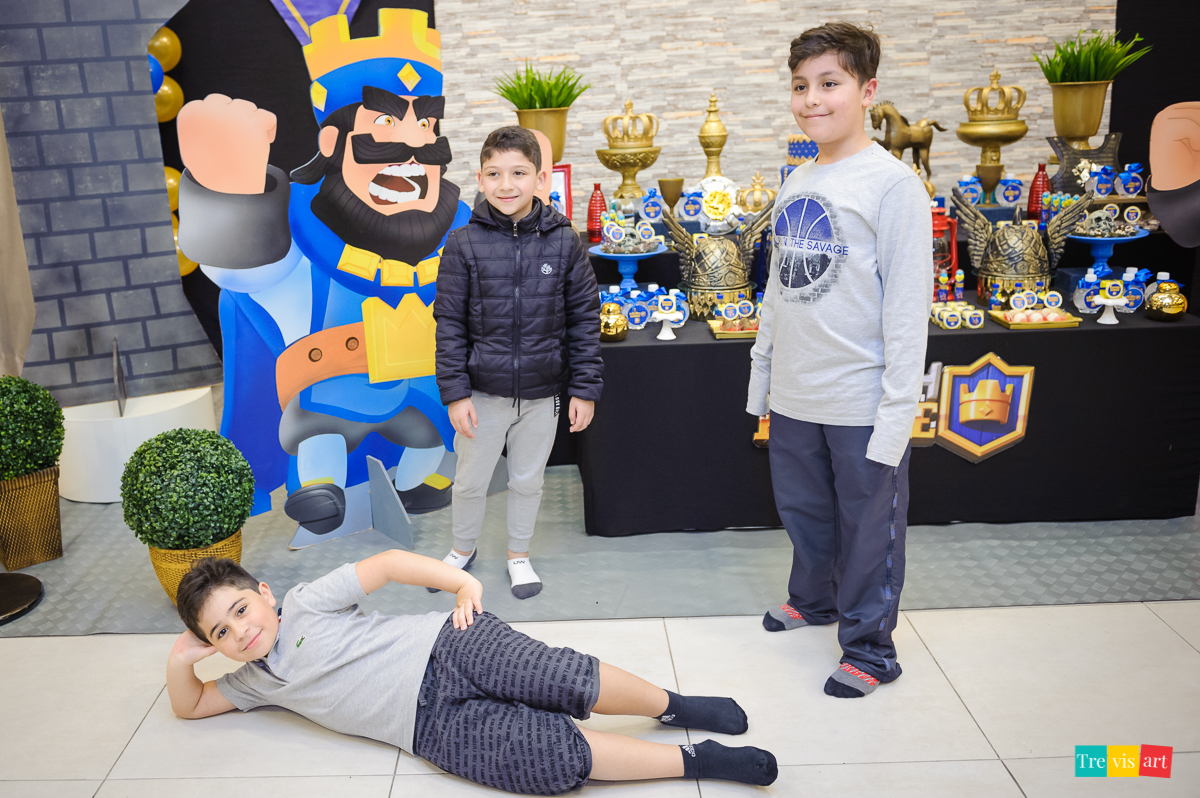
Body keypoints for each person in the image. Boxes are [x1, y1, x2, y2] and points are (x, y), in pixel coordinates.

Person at [167, 555, 778, 794]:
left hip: (445, 646)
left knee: (560, 678)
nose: (241, 632)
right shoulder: (252, 682)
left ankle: (673, 705)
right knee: (545, 761)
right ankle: (699, 762)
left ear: (263, 593)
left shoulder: (304, 601)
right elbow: (190, 707)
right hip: (429, 726)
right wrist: (178, 663)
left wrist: (461, 583)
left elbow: (383, 567)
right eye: (221, 633)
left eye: (241, 610)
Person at [747, 22, 933, 698]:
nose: (812, 100)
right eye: (801, 86)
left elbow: (908, 311)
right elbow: (779, 288)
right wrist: (762, 378)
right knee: (806, 515)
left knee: (867, 532)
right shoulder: (798, 178)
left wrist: (896, 414)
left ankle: (870, 649)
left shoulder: (894, 186)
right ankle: (813, 600)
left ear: (867, 90)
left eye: (830, 84)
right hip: (797, 393)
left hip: (860, 399)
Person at [432, 126, 603, 599]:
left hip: (544, 393)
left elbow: (584, 319)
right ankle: (461, 551)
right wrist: (456, 393)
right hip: (482, 394)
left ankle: (518, 555)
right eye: (495, 174)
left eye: (519, 173)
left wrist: (585, 389)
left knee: (529, 481)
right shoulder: (463, 243)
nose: (506, 185)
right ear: (480, 179)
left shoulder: (565, 242)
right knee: (469, 481)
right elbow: (448, 323)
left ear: (540, 179)